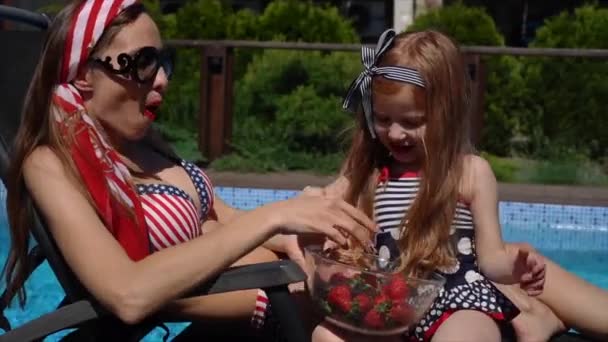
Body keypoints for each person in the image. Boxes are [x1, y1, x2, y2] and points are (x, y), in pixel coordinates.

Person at [2, 0, 377, 338]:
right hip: (248, 319)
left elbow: (225, 220)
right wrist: (275, 216)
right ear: (84, 73)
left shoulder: (144, 142)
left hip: (282, 304)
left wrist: (300, 231)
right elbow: (127, 293)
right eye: (142, 62)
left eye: (163, 62)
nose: (162, 79)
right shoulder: (51, 163)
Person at [306, 29, 608, 342]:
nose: (395, 133)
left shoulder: (469, 173)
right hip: (391, 306)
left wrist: (514, 267)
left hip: (457, 300)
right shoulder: (369, 173)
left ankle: (532, 317)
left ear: (445, 115)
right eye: (383, 119)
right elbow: (324, 210)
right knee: (325, 335)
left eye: (411, 121)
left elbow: (490, 259)